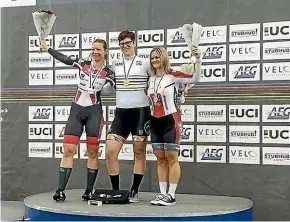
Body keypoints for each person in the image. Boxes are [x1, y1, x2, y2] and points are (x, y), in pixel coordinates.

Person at [40, 38, 115, 202]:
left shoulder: (109, 71)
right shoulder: (83, 63)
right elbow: (64, 58)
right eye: (93, 49)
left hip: (94, 112)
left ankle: (89, 191)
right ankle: (60, 190)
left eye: (99, 50)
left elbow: (113, 88)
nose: (95, 52)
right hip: (77, 110)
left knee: (93, 152)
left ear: (105, 52)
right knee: (68, 150)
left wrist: (113, 84)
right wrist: (48, 49)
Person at [147, 46, 201, 206]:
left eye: (157, 57)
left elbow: (195, 78)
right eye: (152, 58)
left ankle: (171, 194)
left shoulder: (173, 76)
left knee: (172, 158)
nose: (155, 60)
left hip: (171, 120)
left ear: (164, 58)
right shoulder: (150, 79)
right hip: (155, 122)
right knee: (160, 160)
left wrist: (198, 60)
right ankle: (162, 194)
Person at [105, 30, 151, 203]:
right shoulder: (115, 64)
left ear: (134, 43)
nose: (125, 46)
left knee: (139, 153)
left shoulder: (145, 63)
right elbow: (107, 86)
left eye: (128, 43)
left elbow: (157, 80)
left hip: (141, 113)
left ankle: (134, 190)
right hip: (121, 113)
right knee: (110, 152)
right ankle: (116, 191)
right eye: (122, 43)